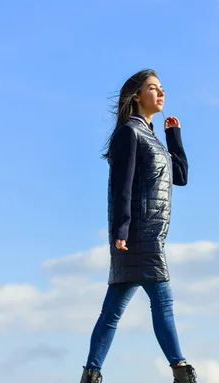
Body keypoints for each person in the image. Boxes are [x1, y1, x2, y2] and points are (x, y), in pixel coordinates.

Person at [80, 69, 197, 383]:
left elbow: (181, 176)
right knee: (163, 301)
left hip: (147, 233)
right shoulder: (129, 133)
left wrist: (174, 136)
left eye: (162, 88)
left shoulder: (151, 137)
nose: (160, 93)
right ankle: (181, 370)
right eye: (153, 88)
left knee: (112, 312)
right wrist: (121, 229)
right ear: (136, 96)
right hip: (139, 235)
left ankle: (91, 374)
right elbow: (121, 185)